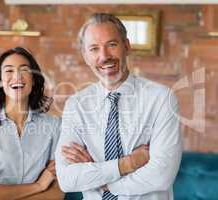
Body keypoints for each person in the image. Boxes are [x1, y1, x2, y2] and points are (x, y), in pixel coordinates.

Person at [55, 13, 182, 200]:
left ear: (127, 46)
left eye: (112, 45)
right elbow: (67, 179)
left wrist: (106, 183)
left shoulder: (161, 98)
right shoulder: (76, 105)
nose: (104, 56)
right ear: (85, 56)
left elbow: (161, 175)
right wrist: (127, 164)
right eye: (94, 49)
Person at [0, 47, 64, 200]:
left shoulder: (54, 126)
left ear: (34, 79)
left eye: (24, 70)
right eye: (9, 71)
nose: (17, 76)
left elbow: (57, 193)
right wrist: (39, 186)